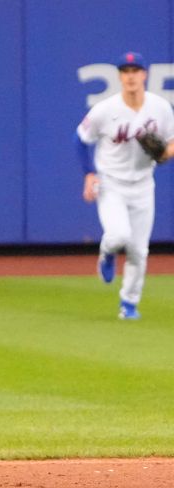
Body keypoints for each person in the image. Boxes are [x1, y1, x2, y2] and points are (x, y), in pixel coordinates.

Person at [76, 51, 174, 320]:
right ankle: (107, 253)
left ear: (144, 75)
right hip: (111, 183)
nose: (130, 76)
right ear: (120, 77)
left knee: (139, 251)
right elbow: (81, 138)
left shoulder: (160, 107)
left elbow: (171, 142)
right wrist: (89, 174)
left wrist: (166, 153)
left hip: (143, 185)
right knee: (118, 235)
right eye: (125, 71)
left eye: (135, 71)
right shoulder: (105, 109)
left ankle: (128, 304)